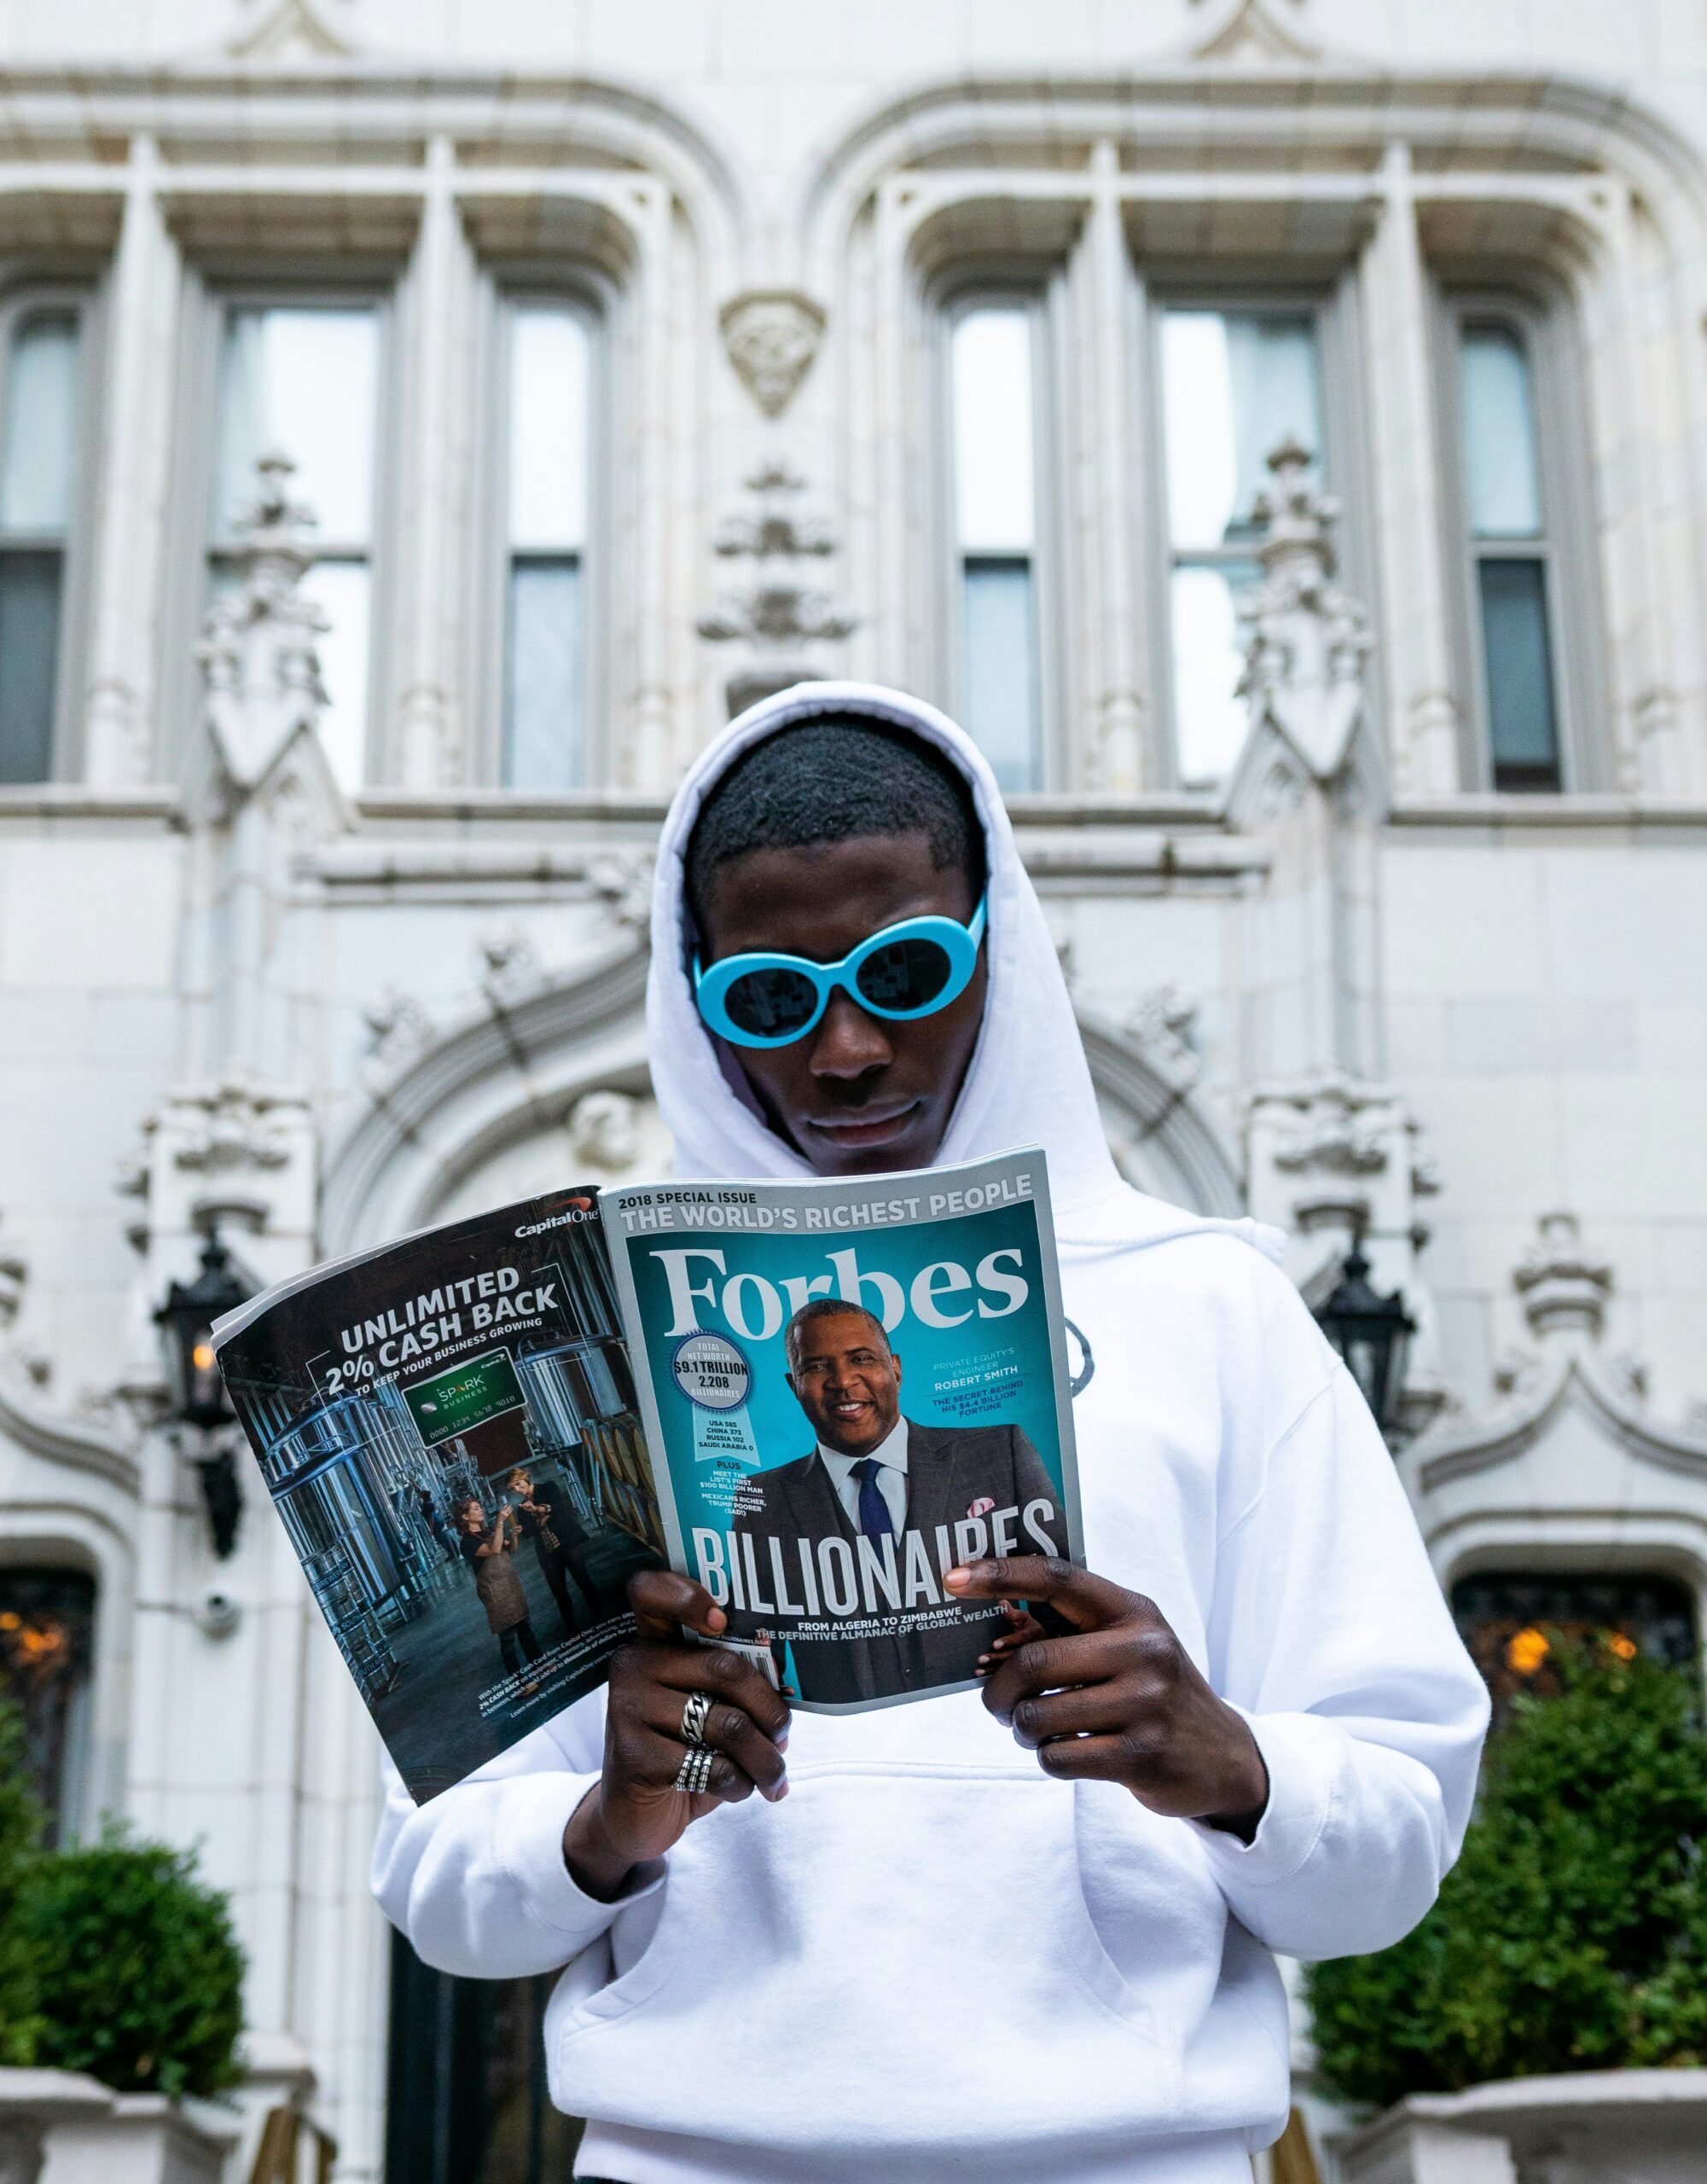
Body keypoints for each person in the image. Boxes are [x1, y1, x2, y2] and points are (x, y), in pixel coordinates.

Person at [377, 684, 1490, 2184]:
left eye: (904, 972)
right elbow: (439, 1890)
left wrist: (1228, 1761)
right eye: (767, 997)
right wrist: (606, 1822)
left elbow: (1397, 1844)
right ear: (689, 994)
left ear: (996, 954)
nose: (844, 1050)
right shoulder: (599, 1350)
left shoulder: (1212, 1303)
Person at [728, 1296, 1068, 1701]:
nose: (842, 1381)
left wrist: (1047, 1639)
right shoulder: (763, 1497)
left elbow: (1067, 1593)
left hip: (988, 1715)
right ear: (793, 1386)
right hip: (851, 1743)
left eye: (862, 1359)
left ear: (896, 1368)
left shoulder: (999, 1451)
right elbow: (748, 1644)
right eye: (816, 1367)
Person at [452, 1496, 543, 1694]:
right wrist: (501, 1521)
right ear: (465, 1517)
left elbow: (512, 1548)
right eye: (475, 1508)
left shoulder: (489, 1532)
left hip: (510, 1585)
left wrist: (515, 1535)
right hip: (494, 1592)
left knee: (525, 1628)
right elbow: (494, 1550)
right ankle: (519, 1685)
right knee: (508, 1637)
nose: (480, 1510)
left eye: (479, 1506)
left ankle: (540, 1666)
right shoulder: (467, 1543)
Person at [508, 1467, 603, 1636]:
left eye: (517, 1484)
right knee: (558, 1592)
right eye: (512, 1488)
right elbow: (529, 1532)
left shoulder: (548, 1487)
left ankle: (600, 1618)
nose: (516, 1489)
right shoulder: (521, 1508)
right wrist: (537, 1518)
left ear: (525, 1478)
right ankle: (571, 1629)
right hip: (547, 1551)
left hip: (568, 1542)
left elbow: (559, 1508)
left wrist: (537, 1511)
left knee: (584, 1581)